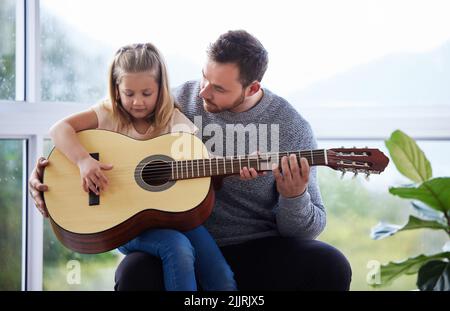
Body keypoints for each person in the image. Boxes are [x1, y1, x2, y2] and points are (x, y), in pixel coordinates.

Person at [30, 31, 352, 291]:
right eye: (203, 78)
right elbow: (105, 134)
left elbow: (310, 228)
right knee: (136, 273)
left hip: (259, 245)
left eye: (218, 88)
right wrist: (57, 176)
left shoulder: (291, 128)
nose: (202, 93)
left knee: (331, 265)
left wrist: (293, 197)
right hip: (177, 235)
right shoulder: (169, 101)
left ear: (252, 87)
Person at [43, 42, 247, 291]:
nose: (137, 102)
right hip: (125, 223)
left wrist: (239, 165)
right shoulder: (107, 114)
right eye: (129, 93)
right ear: (116, 89)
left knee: (222, 278)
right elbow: (59, 129)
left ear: (161, 89)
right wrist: (83, 161)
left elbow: (198, 160)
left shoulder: (173, 120)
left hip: (175, 216)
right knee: (178, 248)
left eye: (146, 93)